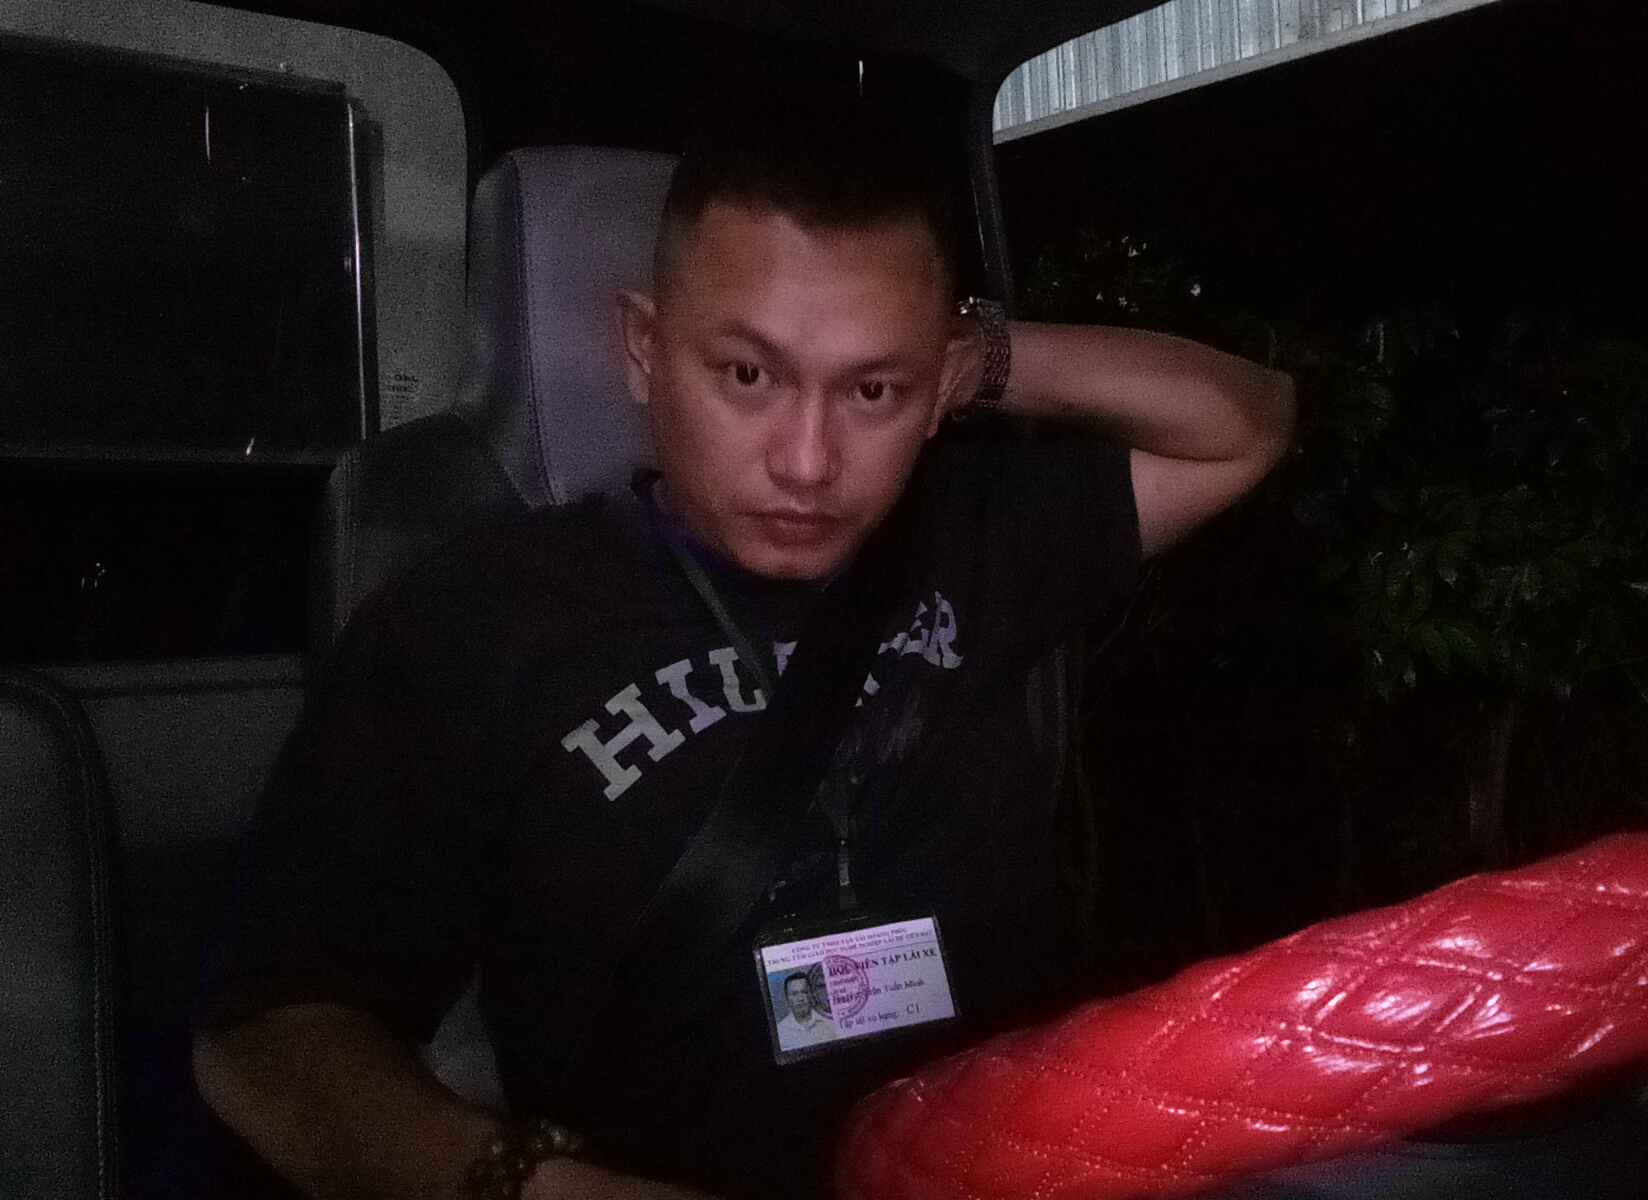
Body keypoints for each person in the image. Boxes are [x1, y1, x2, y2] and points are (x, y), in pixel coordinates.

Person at [193, 102, 1294, 1200]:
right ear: (644, 351)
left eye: (872, 389)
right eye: (749, 376)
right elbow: (266, 1042)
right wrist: (543, 1189)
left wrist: (985, 354)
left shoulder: (976, 538)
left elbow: (1245, 424)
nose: (808, 463)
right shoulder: (478, 621)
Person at [774, 971, 837, 1050]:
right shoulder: (780, 1033)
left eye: (804, 992)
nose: (800, 998)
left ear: (811, 994)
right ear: (787, 999)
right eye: (794, 994)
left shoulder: (831, 1024)